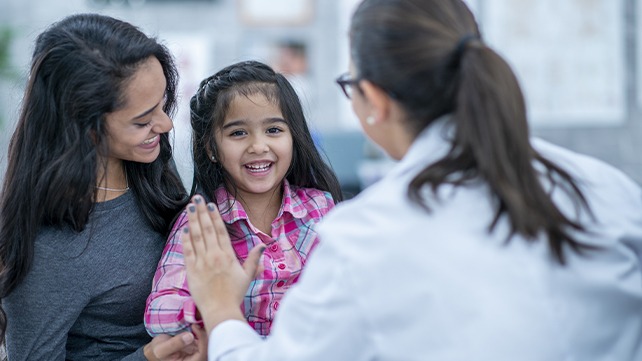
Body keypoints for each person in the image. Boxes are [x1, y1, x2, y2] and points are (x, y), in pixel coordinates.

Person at [179, 0, 642, 360]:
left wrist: (221, 309)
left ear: (373, 101)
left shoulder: (364, 237)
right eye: (239, 132)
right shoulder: (608, 188)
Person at [0, 13, 207, 360]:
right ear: (85, 127)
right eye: (143, 120)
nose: (165, 123)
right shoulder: (48, 249)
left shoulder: (147, 165)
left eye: (163, 103)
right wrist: (149, 358)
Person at [144, 61, 343, 338]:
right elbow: (159, 314)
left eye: (274, 130)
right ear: (212, 148)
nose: (258, 146)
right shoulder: (201, 223)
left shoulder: (320, 208)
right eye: (238, 133)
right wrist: (216, 304)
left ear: (294, 137)